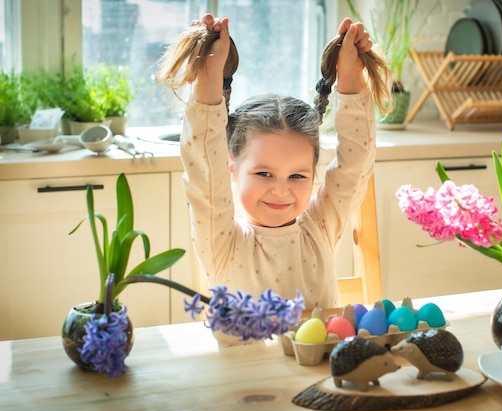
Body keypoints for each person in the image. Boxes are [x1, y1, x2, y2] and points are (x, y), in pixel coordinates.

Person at [156, 14, 390, 342]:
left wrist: (351, 77)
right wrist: (209, 75)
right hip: (243, 386)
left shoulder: (320, 227)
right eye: (264, 173)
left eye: (297, 175)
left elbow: (355, 165)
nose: (281, 190)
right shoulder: (221, 238)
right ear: (231, 168)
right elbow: (203, 169)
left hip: (317, 380)